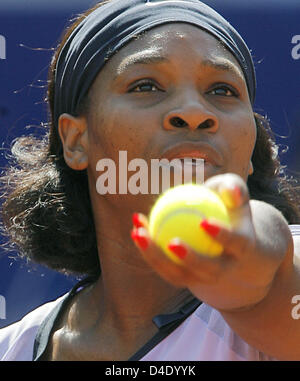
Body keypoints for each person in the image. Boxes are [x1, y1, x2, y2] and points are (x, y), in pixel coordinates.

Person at [0, 0, 300, 361]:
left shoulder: (288, 263)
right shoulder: (11, 349)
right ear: (77, 141)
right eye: (146, 86)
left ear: (250, 151)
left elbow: (279, 260)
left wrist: (252, 255)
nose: (193, 112)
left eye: (222, 90)